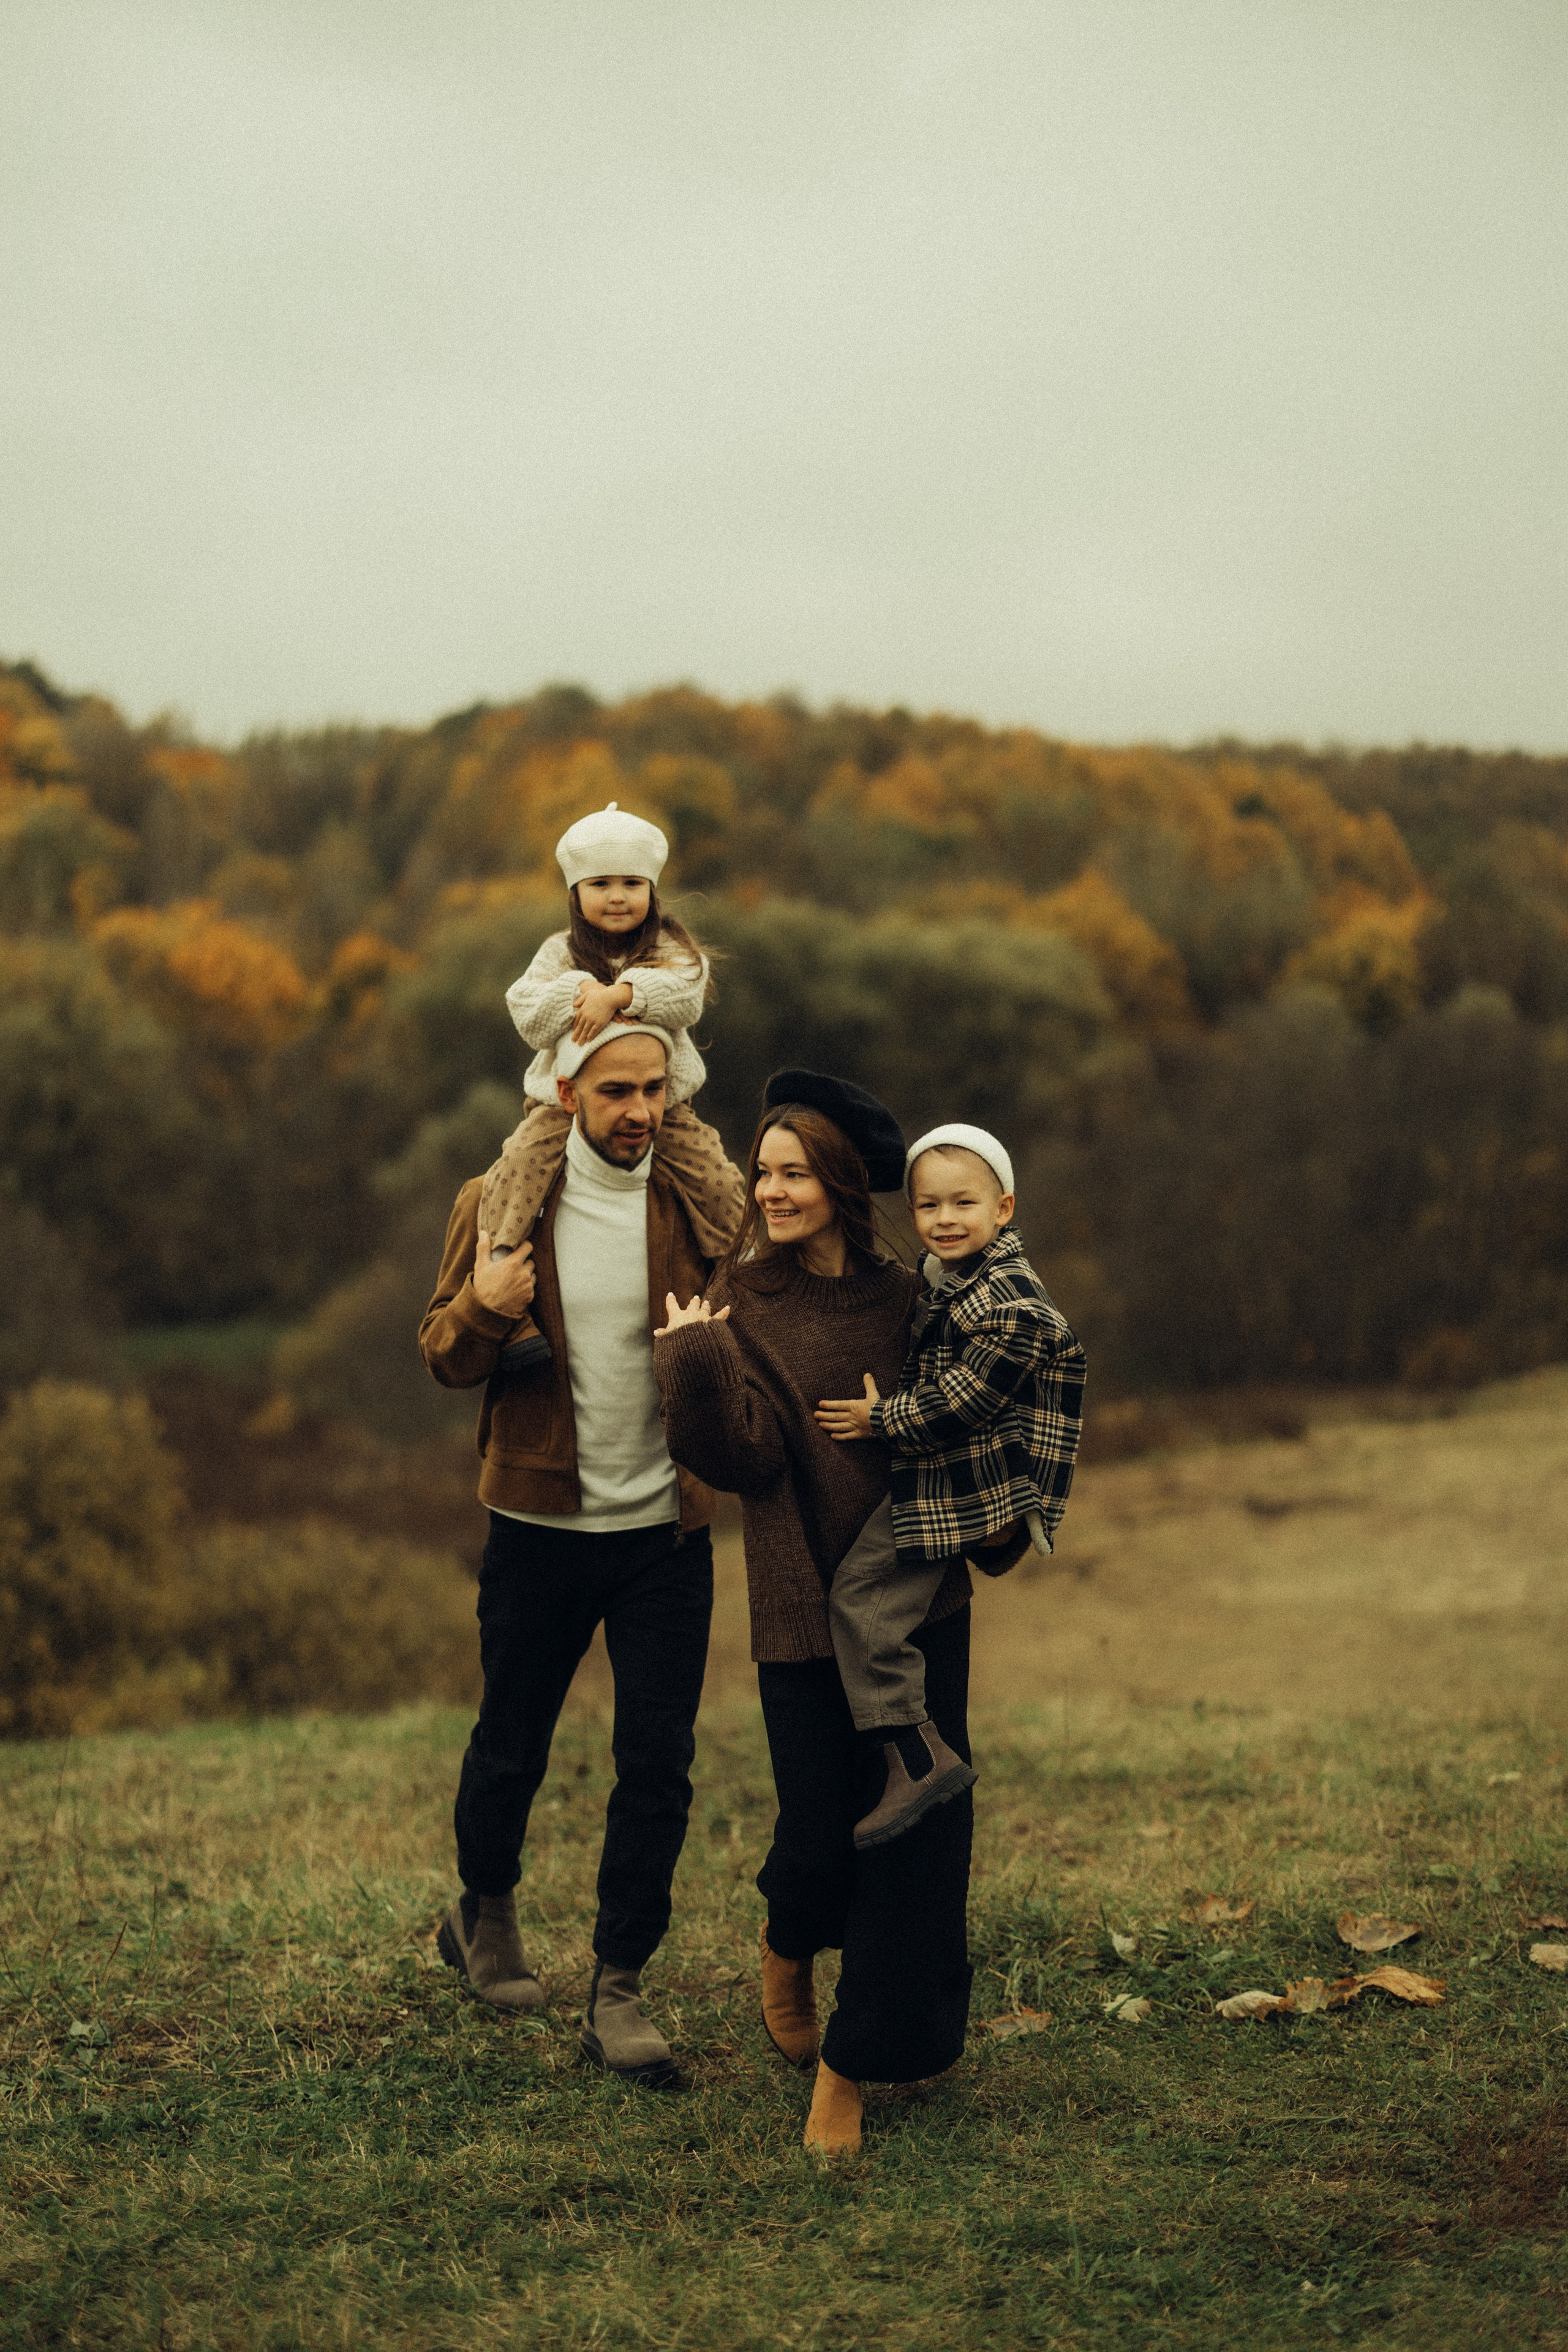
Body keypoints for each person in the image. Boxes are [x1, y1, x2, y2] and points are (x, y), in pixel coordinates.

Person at [654, 1069, 1016, 2157]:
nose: (771, 1191)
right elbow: (745, 1458)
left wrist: (995, 1514)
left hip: (916, 1604)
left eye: (793, 1172)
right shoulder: (740, 1295)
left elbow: (977, 1413)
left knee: (917, 1834)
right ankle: (788, 1932)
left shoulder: (916, 1295)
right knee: (819, 1832)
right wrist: (697, 1361)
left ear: (842, 1183)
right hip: (804, 1601)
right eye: (762, 1173)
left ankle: (853, 2069)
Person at [418, 1021, 744, 2087]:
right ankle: (487, 1913)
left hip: (665, 1533)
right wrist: (484, 1305)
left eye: (653, 1089)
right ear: (569, 1093)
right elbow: (441, 1353)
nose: (638, 1110)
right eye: (615, 1091)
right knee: (512, 1741)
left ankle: (620, 1987)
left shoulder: (689, 1206)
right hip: (538, 1528)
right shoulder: (500, 1202)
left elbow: (749, 1323)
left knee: (658, 1765)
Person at [814, 1123, 1087, 1849]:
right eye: (928, 1207)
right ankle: (910, 1751)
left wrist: (881, 1419)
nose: (943, 1220)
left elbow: (964, 1401)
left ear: (1003, 1209)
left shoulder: (1008, 1303)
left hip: (977, 1483)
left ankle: (916, 1757)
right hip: (958, 1472)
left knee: (861, 1597)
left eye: (962, 1204)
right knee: (872, 1597)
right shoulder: (953, 1279)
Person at [480, 799, 744, 1261]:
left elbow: (685, 996)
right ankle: (499, 1257)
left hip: (664, 1104)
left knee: (715, 1177)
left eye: (632, 884)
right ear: (576, 894)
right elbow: (525, 1010)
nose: (617, 896)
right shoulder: (560, 952)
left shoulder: (670, 948)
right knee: (518, 1165)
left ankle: (745, 1261)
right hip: (563, 1105)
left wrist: (620, 996)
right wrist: (581, 989)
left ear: (651, 891)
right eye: (600, 884)